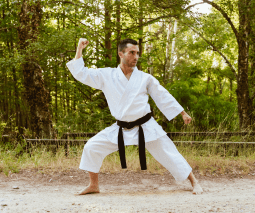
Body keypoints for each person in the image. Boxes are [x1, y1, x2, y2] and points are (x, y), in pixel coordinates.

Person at [66, 38, 203, 195]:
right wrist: (79, 48)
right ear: (121, 54)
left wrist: (182, 113)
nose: (136, 57)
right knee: (92, 147)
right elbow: (81, 73)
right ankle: (93, 185)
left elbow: (162, 95)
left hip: (146, 126)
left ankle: (194, 182)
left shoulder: (144, 78)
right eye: (132, 53)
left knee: (169, 152)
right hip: (121, 127)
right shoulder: (106, 75)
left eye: (137, 53)